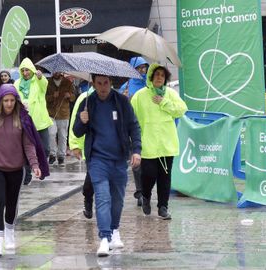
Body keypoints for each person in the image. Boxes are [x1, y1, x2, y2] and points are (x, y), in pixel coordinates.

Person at [0, 84, 49, 257]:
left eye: (12, 100)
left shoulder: (23, 119)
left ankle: (10, 231)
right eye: (6, 100)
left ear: (17, 101)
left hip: (16, 169)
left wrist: (35, 165)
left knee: (12, 203)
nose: (9, 104)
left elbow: (29, 145)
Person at [73, 74, 141, 256]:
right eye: (99, 83)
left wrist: (136, 150)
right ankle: (104, 238)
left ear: (111, 83)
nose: (103, 87)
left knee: (117, 199)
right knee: (103, 198)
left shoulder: (122, 101)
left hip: (119, 159)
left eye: (106, 83)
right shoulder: (88, 102)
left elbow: (134, 126)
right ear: (93, 84)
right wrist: (82, 120)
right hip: (97, 159)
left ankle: (114, 230)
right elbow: (77, 131)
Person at [131, 63, 187, 220]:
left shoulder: (170, 93)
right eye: (156, 75)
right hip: (148, 144)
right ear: (150, 77)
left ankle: (163, 206)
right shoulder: (140, 95)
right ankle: (146, 196)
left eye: (162, 75)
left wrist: (164, 102)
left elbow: (181, 110)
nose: (159, 78)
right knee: (149, 174)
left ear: (166, 78)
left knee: (165, 176)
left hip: (167, 143)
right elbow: (131, 118)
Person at [14, 58, 53, 184]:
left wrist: (41, 77)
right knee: (24, 149)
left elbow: (44, 85)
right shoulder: (16, 83)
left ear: (32, 70)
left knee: (45, 148)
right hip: (24, 122)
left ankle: (40, 167)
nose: (25, 73)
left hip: (40, 121)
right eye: (23, 70)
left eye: (27, 70)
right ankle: (27, 174)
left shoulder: (38, 81)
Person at [119, 56, 149, 207]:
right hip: (132, 130)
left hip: (148, 129)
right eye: (139, 68)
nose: (143, 71)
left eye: (144, 67)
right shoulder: (126, 86)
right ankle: (140, 192)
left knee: (149, 164)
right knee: (137, 162)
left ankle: (146, 190)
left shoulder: (149, 85)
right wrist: (123, 99)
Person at [69, 86, 95, 219]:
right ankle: (88, 199)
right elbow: (75, 121)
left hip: (108, 149)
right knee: (91, 179)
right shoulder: (84, 99)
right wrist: (75, 145)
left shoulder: (114, 99)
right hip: (89, 147)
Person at [45, 72, 76, 166]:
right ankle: (52, 154)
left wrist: (69, 96)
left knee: (63, 136)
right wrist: (52, 96)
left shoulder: (68, 82)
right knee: (51, 134)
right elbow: (43, 97)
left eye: (58, 71)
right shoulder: (47, 82)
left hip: (63, 113)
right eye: (54, 71)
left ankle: (61, 156)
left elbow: (74, 96)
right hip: (51, 113)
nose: (56, 73)